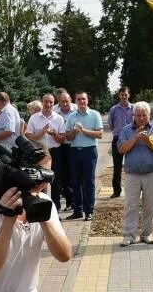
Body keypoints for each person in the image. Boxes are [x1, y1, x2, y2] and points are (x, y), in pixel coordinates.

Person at [115, 101, 153, 246]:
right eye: (138, 115)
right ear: (133, 115)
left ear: (150, 115)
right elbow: (121, 149)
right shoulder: (126, 130)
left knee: (150, 205)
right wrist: (135, 138)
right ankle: (129, 236)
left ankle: (147, 234)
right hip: (133, 174)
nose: (141, 118)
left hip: (152, 173)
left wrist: (147, 140)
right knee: (131, 205)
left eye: (144, 115)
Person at [64, 91, 104, 220]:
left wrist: (83, 130)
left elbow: (100, 134)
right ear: (75, 101)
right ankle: (78, 210)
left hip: (89, 151)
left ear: (87, 101)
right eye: (79, 99)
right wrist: (75, 132)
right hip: (75, 152)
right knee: (75, 182)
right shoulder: (71, 117)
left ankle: (89, 211)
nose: (81, 101)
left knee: (89, 182)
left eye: (83, 99)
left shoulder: (94, 115)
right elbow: (68, 137)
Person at [107, 86, 134, 199]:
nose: (124, 97)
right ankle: (116, 191)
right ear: (119, 95)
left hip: (131, 139)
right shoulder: (114, 109)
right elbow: (111, 124)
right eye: (122, 95)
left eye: (125, 95)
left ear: (129, 95)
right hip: (118, 139)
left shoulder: (134, 108)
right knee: (117, 167)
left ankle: (132, 189)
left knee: (132, 165)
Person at [51, 89, 75, 211]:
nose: (65, 104)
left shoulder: (76, 110)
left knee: (74, 174)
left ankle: (74, 202)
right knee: (63, 174)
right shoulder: (55, 111)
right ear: (58, 101)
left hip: (74, 145)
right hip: (61, 146)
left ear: (70, 100)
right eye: (62, 102)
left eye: (67, 101)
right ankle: (68, 201)